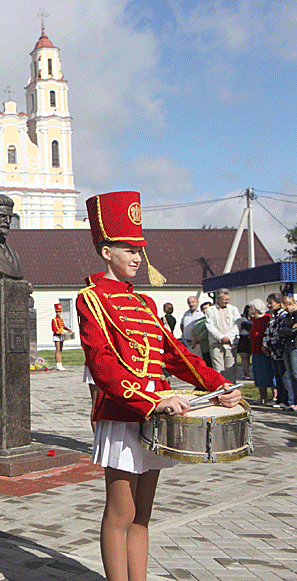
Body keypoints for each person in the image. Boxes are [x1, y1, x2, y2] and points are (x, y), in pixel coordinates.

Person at [77, 190, 239, 581]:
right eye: (129, 249)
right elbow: (103, 366)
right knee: (121, 513)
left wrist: (221, 386)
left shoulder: (147, 305)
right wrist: (154, 399)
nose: (137, 258)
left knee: (143, 515)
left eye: (139, 250)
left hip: (157, 415)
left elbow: (178, 357)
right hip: (124, 415)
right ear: (106, 251)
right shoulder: (91, 300)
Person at [204, 288, 241, 379]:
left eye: (228, 299)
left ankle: (231, 390)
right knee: (218, 370)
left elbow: (237, 324)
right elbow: (210, 326)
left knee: (230, 370)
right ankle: (221, 390)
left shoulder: (233, 309)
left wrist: (228, 337)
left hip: (230, 344)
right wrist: (221, 337)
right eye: (224, 300)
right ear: (218, 299)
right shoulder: (210, 310)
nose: (226, 302)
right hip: (216, 344)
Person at [248, 298, 274, 405]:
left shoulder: (267, 318)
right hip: (255, 351)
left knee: (270, 373)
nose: (249, 310)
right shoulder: (254, 319)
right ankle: (263, 397)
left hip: (265, 351)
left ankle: (275, 396)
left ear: (255, 309)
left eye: (250, 308)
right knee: (259, 375)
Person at [263, 293, 287, 407]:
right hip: (272, 350)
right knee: (276, 374)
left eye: (271, 303)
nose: (269, 305)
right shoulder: (273, 315)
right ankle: (279, 398)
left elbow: (278, 332)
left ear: (278, 303)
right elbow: (269, 331)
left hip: (280, 349)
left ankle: (285, 399)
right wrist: (266, 345)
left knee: (283, 374)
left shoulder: (283, 315)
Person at [277, 296, 297, 412]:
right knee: (290, 375)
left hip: (295, 346)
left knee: (295, 374)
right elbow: (281, 330)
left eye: (287, 308)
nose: (286, 311)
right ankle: (294, 400)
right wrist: (288, 330)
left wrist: (287, 330)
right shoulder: (287, 317)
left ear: (292, 304)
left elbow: (294, 331)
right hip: (287, 346)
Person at [52, 303, 71, 371]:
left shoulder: (61, 319)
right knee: (57, 350)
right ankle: (58, 364)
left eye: (60, 311)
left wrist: (68, 330)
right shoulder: (54, 319)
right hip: (57, 336)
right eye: (58, 311)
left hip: (61, 336)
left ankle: (60, 363)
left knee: (60, 350)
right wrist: (60, 332)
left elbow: (63, 326)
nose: (59, 313)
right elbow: (54, 329)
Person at [237, 304, 253, 379]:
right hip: (243, 338)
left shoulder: (254, 318)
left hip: (251, 339)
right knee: (244, 357)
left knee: (250, 357)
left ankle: (249, 373)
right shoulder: (242, 319)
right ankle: (246, 374)